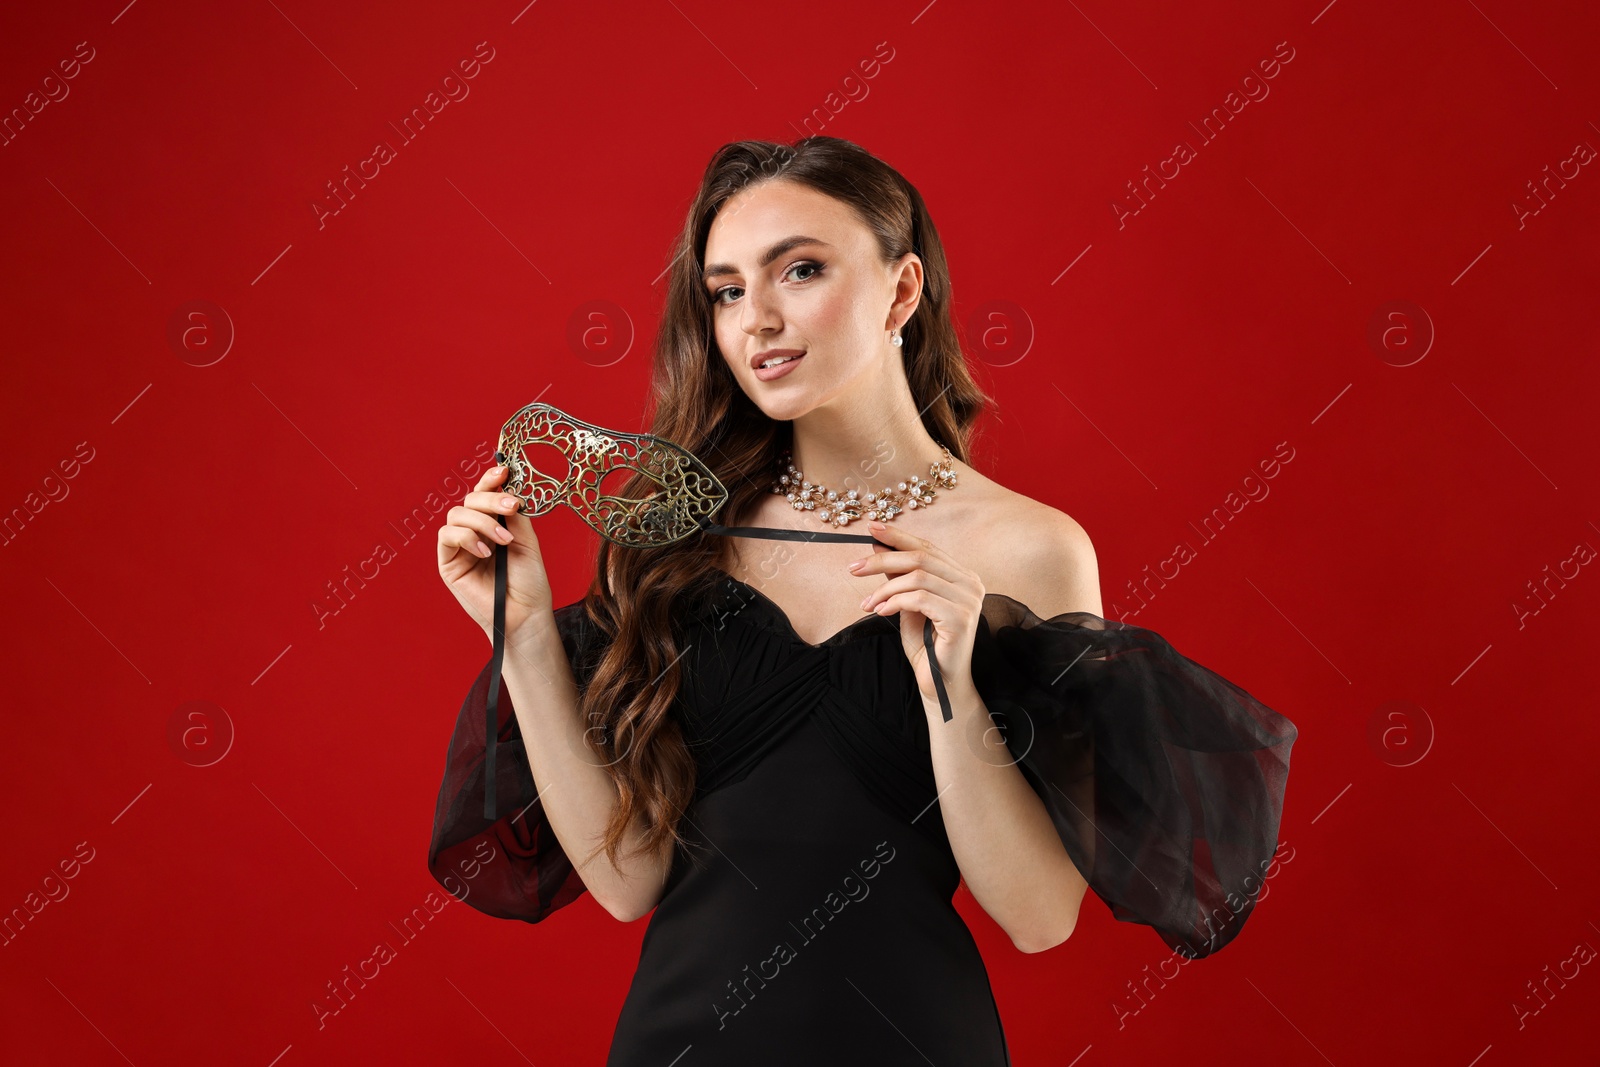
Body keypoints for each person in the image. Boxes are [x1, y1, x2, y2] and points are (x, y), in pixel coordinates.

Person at [428, 136, 1298, 1064]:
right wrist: (521, 631)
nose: (756, 318)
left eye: (798, 270)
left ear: (902, 290)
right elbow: (630, 880)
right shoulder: (675, 537)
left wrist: (948, 681)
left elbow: (1040, 916)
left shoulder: (1029, 549)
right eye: (725, 290)